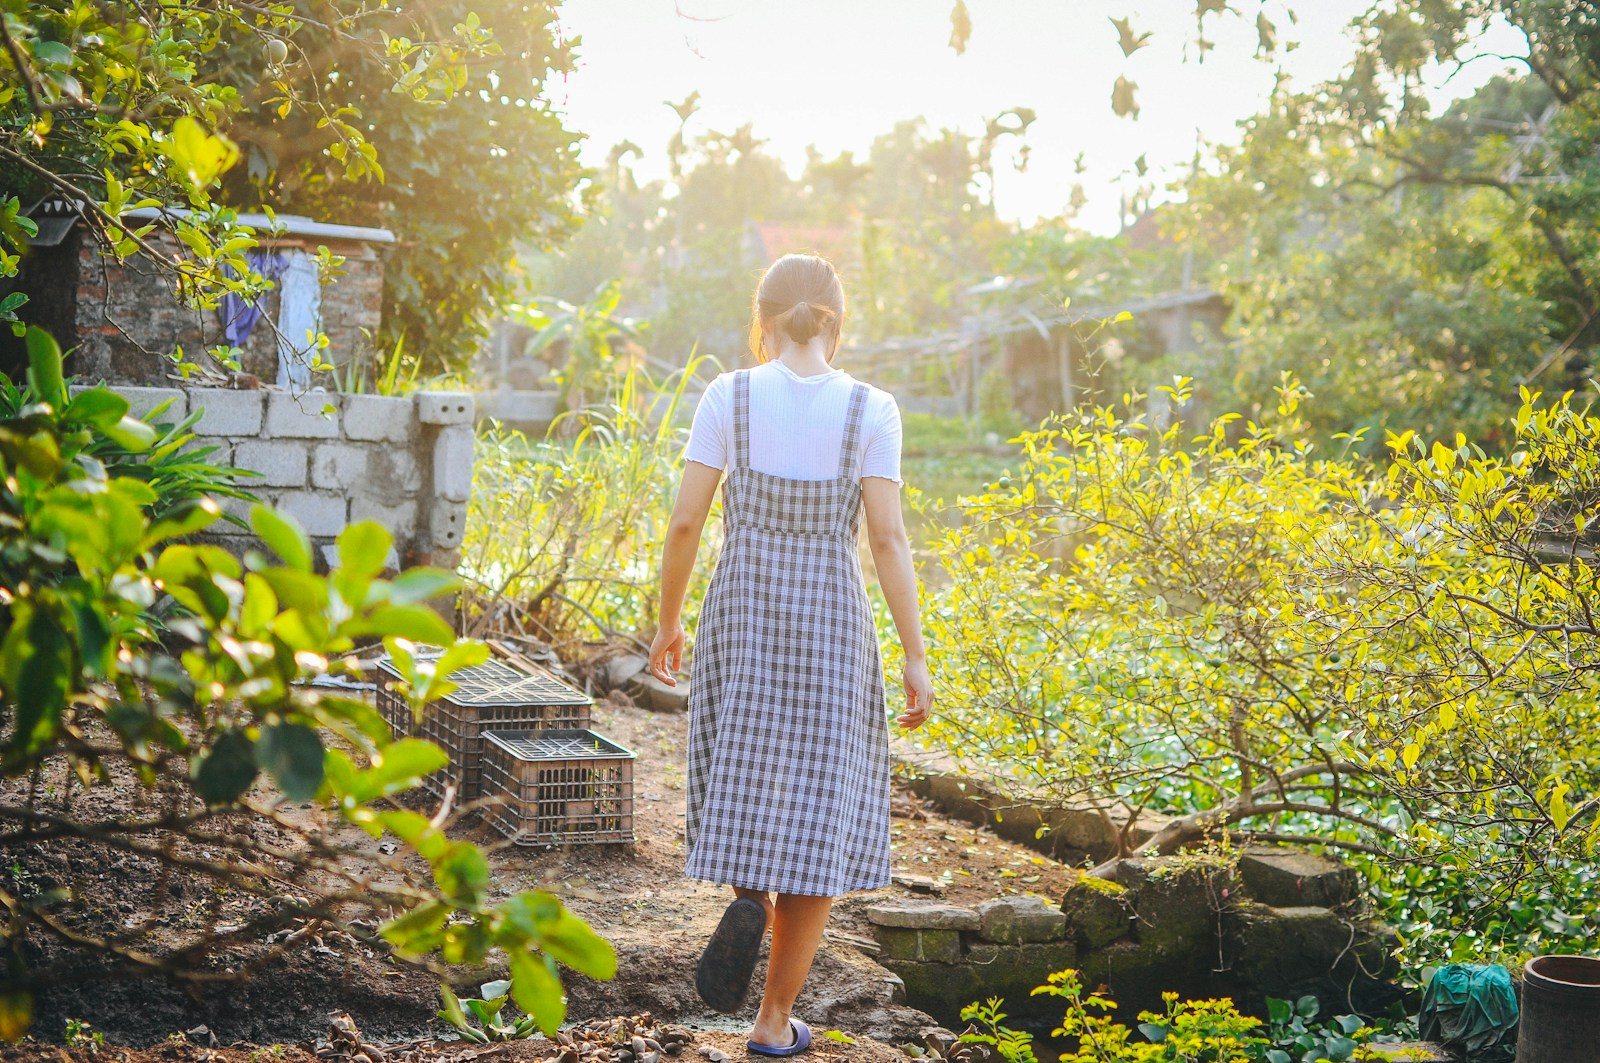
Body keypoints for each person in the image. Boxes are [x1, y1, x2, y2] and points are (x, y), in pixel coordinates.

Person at [647, 253, 934, 1057]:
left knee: (740, 765)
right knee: (821, 805)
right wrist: (914, 654)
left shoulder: (728, 396)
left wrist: (669, 621)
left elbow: (684, 524)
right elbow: (887, 538)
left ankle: (748, 896)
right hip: (833, 622)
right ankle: (773, 1022)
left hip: (741, 607)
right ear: (837, 323)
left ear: (762, 318)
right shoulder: (871, 409)